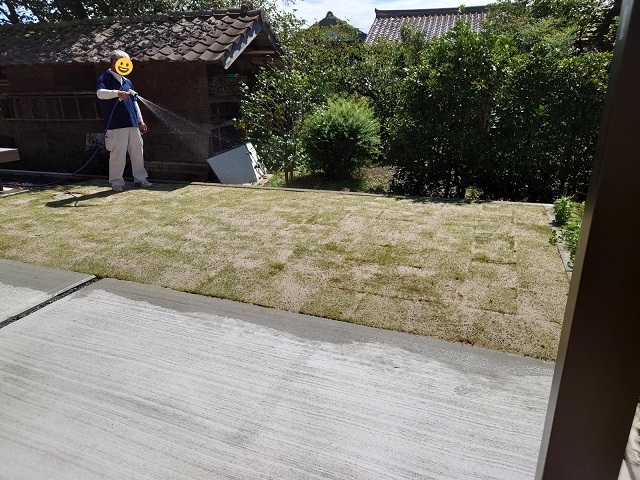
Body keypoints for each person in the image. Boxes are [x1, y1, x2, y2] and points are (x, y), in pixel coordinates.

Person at [96, 50, 151, 192]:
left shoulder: (127, 81)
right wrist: (116, 93)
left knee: (138, 150)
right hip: (115, 124)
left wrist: (140, 121)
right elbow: (100, 94)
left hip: (132, 122)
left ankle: (140, 178)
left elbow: (135, 102)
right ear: (114, 62)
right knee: (118, 153)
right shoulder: (105, 78)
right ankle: (116, 182)